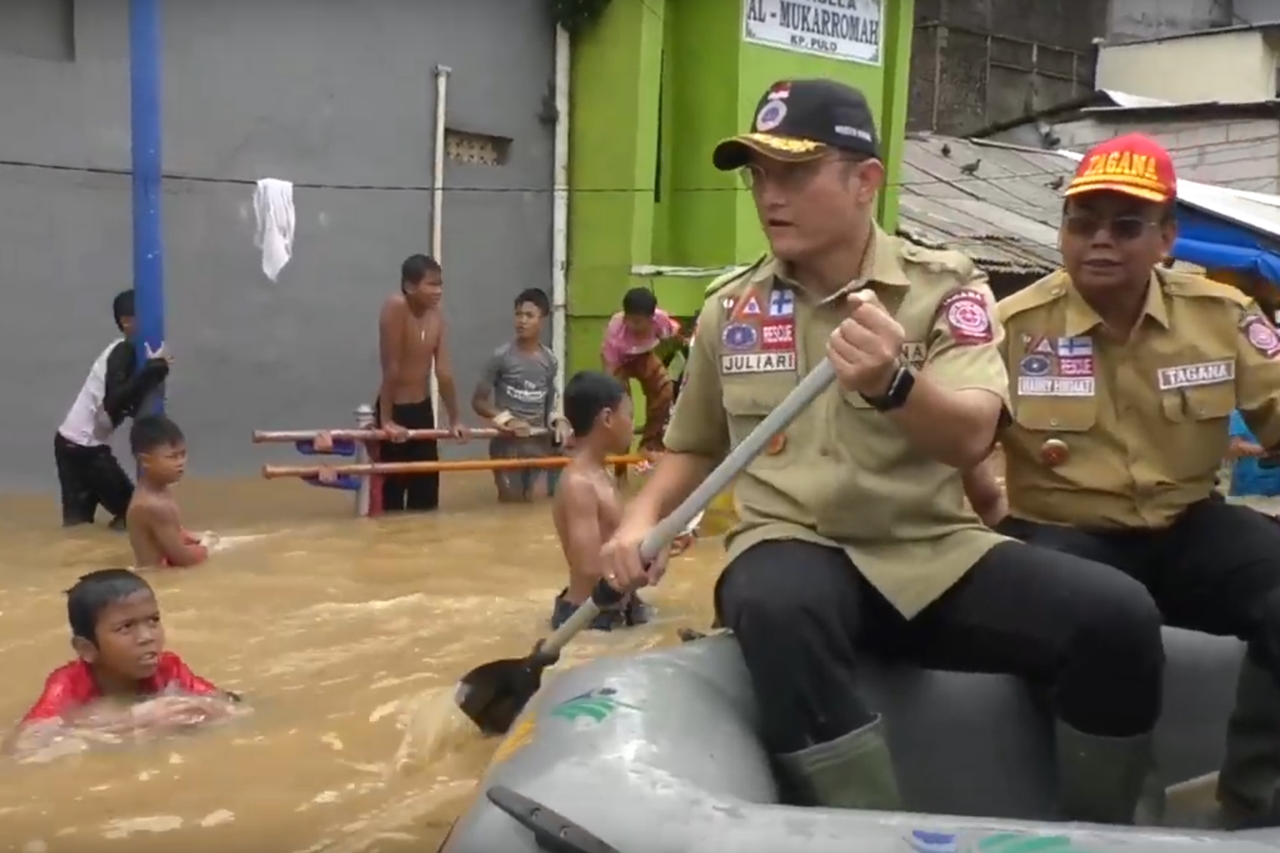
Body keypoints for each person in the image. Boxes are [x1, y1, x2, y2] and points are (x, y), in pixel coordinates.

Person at [597, 78, 1165, 824]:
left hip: (930, 553)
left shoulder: (944, 289)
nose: (770, 194)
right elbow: (692, 446)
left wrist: (895, 382)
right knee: (775, 602)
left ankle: (1099, 832)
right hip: (794, 546)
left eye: (795, 172)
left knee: (1117, 616)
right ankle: (875, 834)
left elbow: (970, 432)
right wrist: (638, 523)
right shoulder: (730, 310)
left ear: (865, 181)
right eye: (759, 174)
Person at [973, 132, 1280, 828]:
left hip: (1191, 524)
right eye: (1081, 222)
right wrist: (981, 505)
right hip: (1065, 533)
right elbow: (950, 436)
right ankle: (1119, 824)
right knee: (1109, 615)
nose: (1099, 240)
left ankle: (1253, 799)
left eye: (1126, 224)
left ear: (1167, 236)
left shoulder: (1219, 316)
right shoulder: (1011, 328)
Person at [7, 569, 238, 752]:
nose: (147, 637)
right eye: (125, 627)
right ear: (86, 648)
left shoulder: (169, 668)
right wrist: (132, 719)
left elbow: (231, 707)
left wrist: (203, 710)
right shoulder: (67, 683)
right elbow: (22, 745)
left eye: (153, 620)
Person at [55, 289, 170, 530]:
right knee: (135, 515)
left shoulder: (126, 352)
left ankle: (77, 562)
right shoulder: (123, 351)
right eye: (146, 316)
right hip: (85, 448)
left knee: (77, 524)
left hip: (67, 442)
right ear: (126, 322)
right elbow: (113, 403)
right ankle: (116, 557)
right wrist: (154, 370)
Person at [551, 371, 652, 630]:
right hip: (591, 618)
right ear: (607, 418)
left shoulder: (599, 473)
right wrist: (643, 559)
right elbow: (588, 567)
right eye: (628, 415)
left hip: (612, 608)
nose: (632, 424)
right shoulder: (580, 484)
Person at [376, 254, 467, 513]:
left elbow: (444, 371)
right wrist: (386, 421)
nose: (438, 291)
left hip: (422, 411)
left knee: (426, 499)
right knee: (391, 501)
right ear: (409, 286)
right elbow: (390, 368)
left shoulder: (437, 317)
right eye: (431, 284)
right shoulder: (396, 307)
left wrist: (455, 419)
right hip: (394, 408)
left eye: (440, 285)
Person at [472, 288, 572, 502]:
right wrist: (508, 420)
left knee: (537, 510)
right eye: (518, 314)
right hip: (507, 447)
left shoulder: (549, 360)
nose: (522, 321)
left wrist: (560, 421)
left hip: (539, 444)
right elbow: (479, 402)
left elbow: (552, 402)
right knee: (511, 507)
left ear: (542, 320)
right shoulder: (500, 357)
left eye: (529, 316)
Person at [126, 414, 215, 569]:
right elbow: (184, 559)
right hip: (158, 579)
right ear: (145, 460)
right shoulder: (153, 505)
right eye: (172, 457)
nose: (180, 463)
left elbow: (173, 532)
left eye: (183, 454)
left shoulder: (159, 489)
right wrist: (207, 547)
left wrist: (196, 538)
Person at [600, 287, 680, 454]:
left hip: (644, 356)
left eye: (639, 321)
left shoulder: (661, 321)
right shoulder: (615, 332)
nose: (634, 326)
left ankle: (650, 443)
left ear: (652, 318)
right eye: (631, 320)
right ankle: (621, 451)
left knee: (664, 389)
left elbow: (673, 340)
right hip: (619, 362)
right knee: (620, 403)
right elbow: (609, 368)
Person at [1226, 409, 1280, 497]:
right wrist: (1263, 449)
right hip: (1249, 483)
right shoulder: (1238, 414)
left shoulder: (1276, 411)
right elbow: (1232, 446)